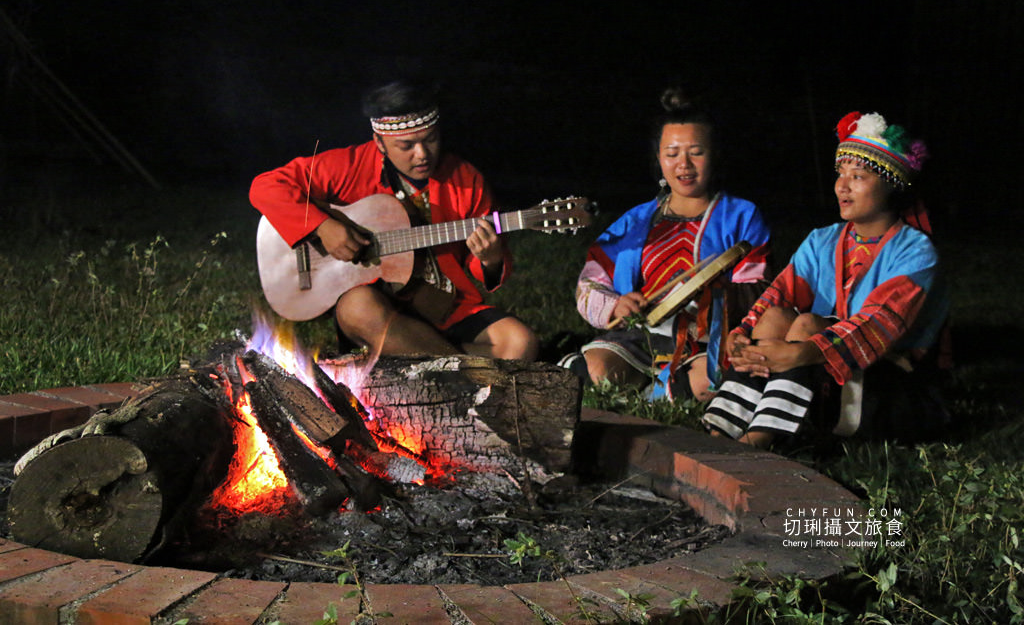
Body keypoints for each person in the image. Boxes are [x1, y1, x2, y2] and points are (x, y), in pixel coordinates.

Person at [703, 111, 949, 448]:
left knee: (805, 325)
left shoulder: (916, 252)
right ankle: (724, 431)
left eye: (858, 176)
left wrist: (802, 352)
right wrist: (743, 333)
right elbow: (779, 294)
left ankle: (761, 440)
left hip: (888, 383)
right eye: (840, 174)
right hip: (820, 368)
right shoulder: (823, 240)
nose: (842, 186)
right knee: (773, 317)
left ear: (891, 184)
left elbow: (876, 326)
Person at [250, 79, 539, 360]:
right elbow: (265, 186)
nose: (422, 154)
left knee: (519, 343)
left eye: (431, 140)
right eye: (406, 146)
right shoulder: (349, 166)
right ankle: (469, 372)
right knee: (358, 309)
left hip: (443, 307)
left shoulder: (466, 179)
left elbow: (482, 269)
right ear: (379, 141)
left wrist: (490, 258)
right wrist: (322, 226)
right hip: (378, 310)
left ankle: (427, 361)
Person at [561, 88, 772, 401]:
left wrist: (715, 298)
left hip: (703, 342)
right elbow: (589, 283)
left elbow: (759, 290)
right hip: (638, 337)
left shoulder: (742, 216)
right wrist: (616, 305)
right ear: (659, 160)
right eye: (672, 154)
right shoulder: (634, 222)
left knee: (709, 380)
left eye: (696, 152)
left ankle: (655, 394)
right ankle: (659, 388)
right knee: (593, 369)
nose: (683, 164)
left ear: (714, 154)